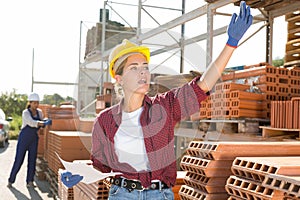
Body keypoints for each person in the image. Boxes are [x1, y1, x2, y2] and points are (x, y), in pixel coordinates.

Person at [61, 1, 252, 199]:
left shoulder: (165, 107)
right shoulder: (105, 121)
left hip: (159, 194)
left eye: (145, 66)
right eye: (133, 68)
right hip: (122, 194)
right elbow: (100, 166)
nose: (143, 72)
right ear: (118, 78)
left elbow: (203, 84)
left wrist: (231, 44)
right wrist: (80, 173)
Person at [7, 92, 51, 188]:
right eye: (34, 103)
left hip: (33, 139)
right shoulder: (25, 112)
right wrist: (42, 123)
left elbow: (42, 121)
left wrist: (46, 121)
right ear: (30, 103)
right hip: (24, 139)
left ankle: (30, 181)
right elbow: (31, 123)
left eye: (37, 103)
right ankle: (11, 180)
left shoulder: (39, 112)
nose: (36, 105)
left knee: (32, 160)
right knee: (19, 160)